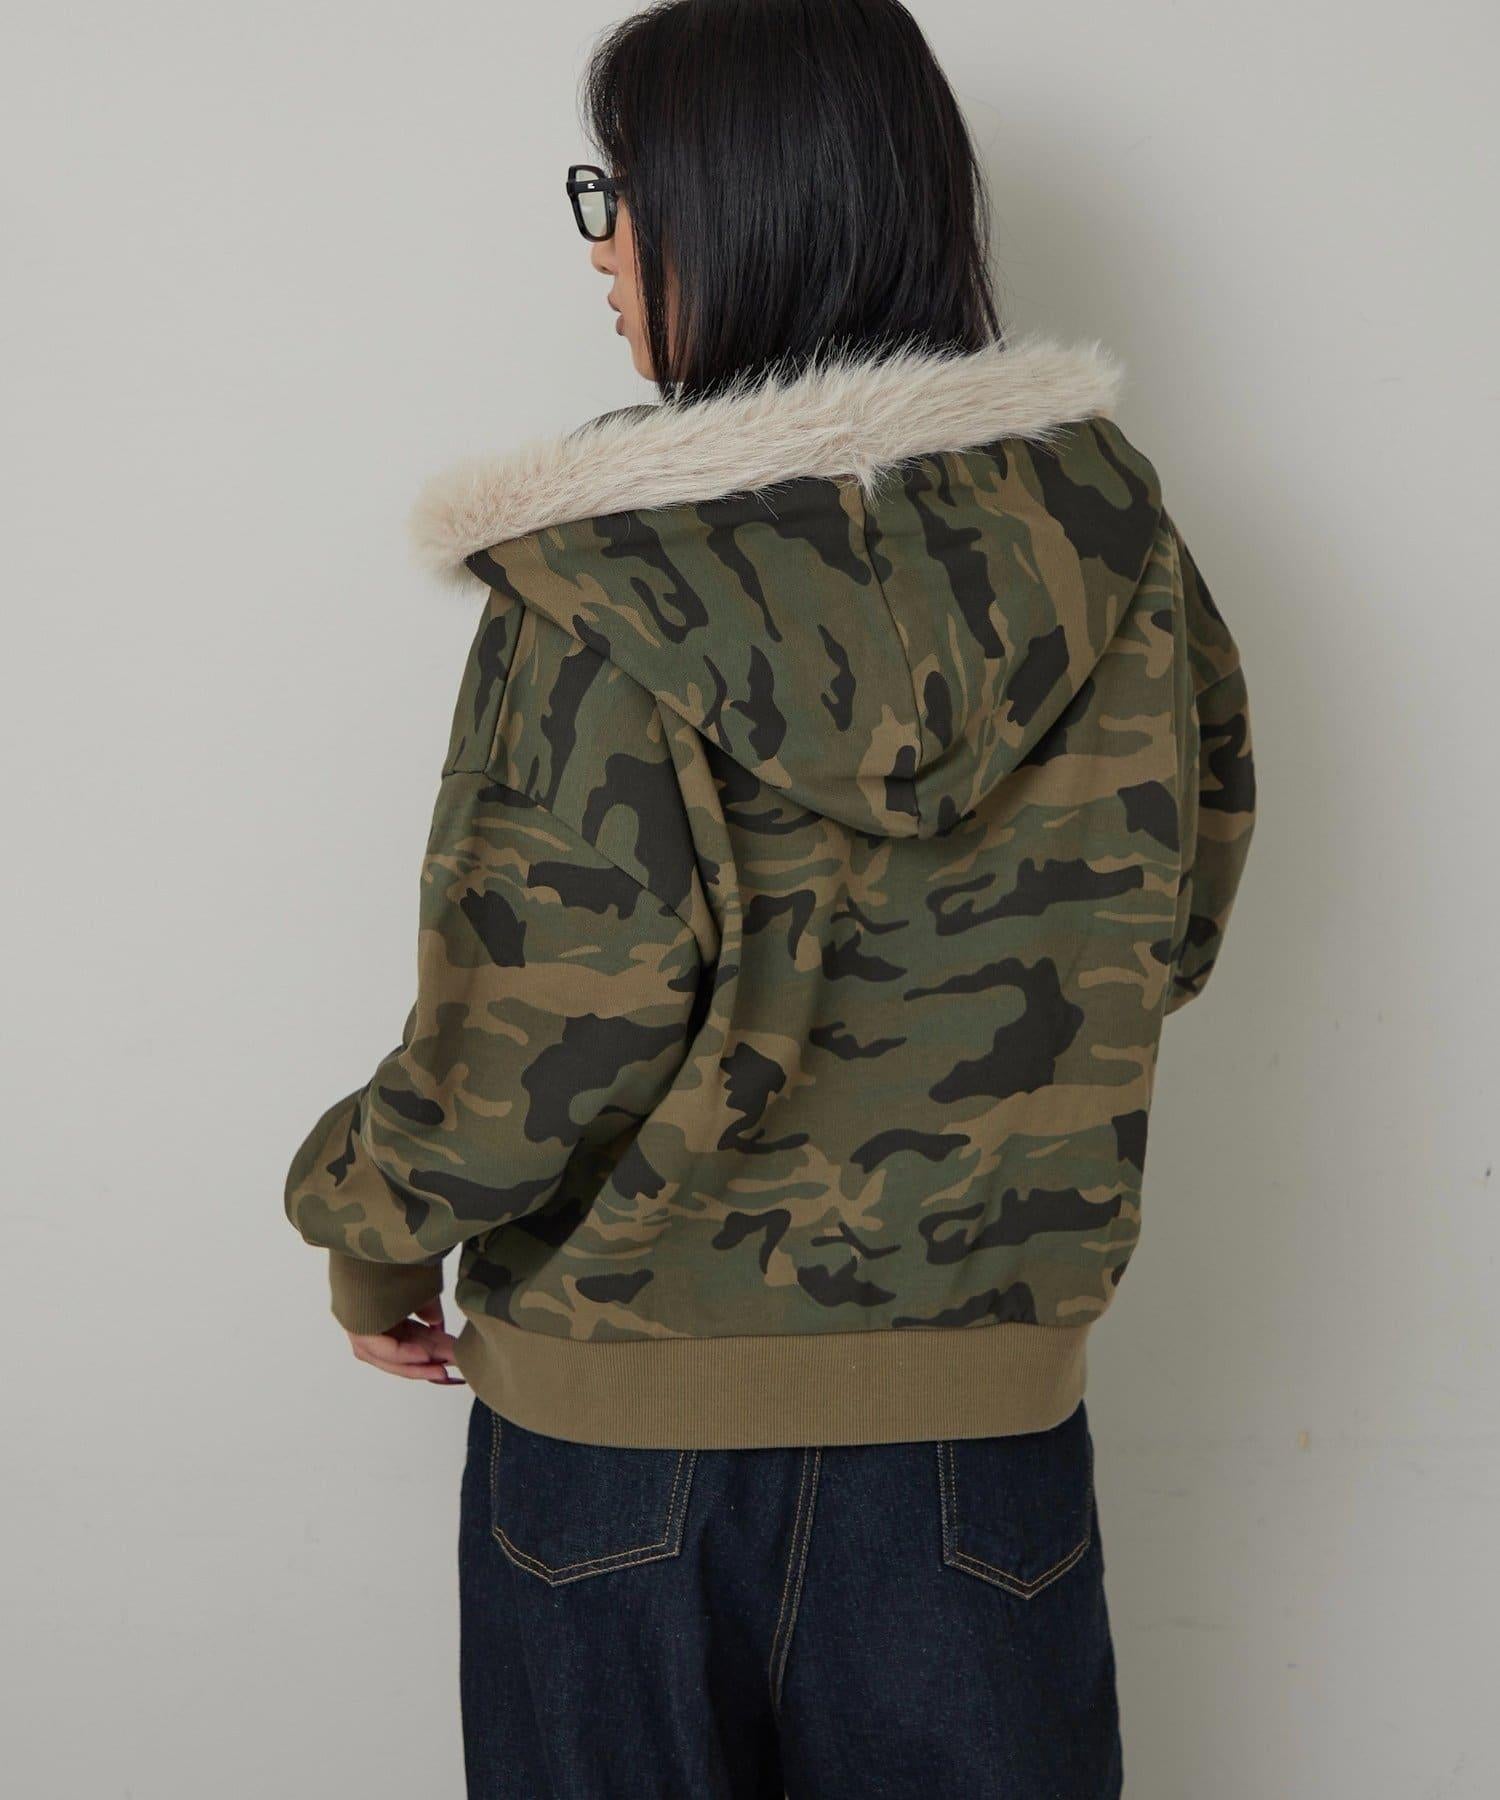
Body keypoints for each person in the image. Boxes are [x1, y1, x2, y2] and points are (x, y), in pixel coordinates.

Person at [283, 1, 1257, 1793]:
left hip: (620, 1461)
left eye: (625, 195)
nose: (601, 250)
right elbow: (1167, 926)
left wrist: (371, 1233)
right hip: (982, 1450)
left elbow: (534, 1031)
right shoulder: (1114, 543)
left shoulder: (600, 581)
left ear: (744, 210)